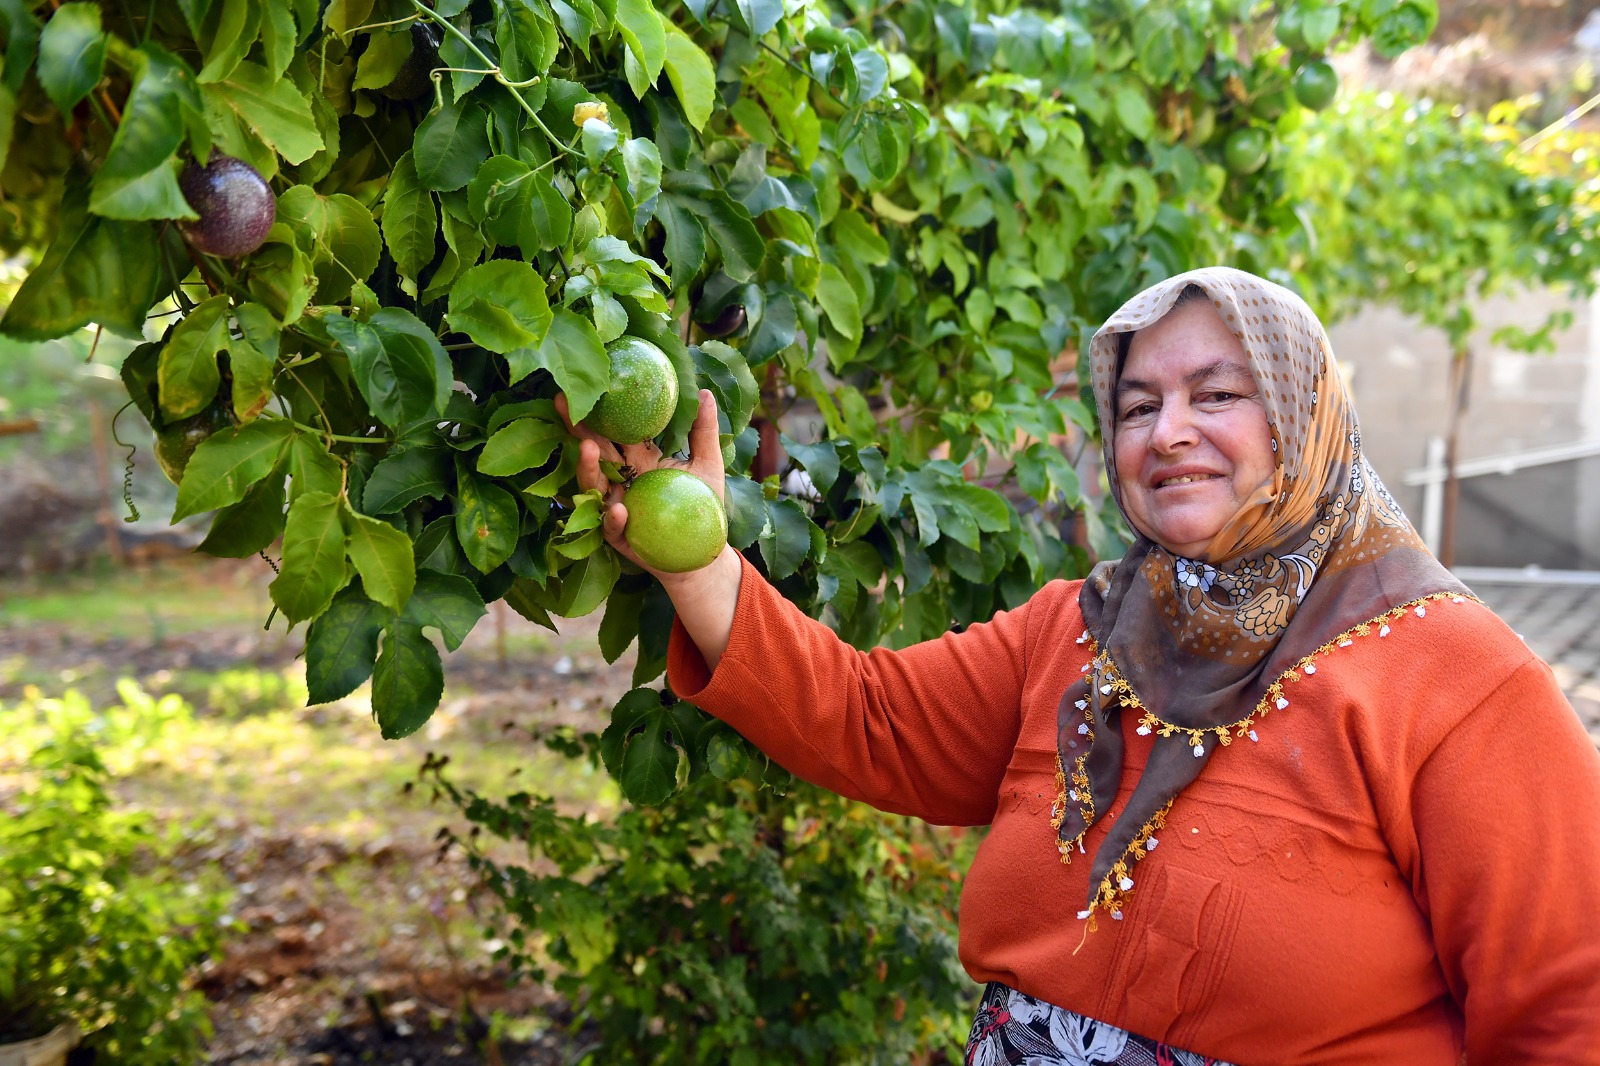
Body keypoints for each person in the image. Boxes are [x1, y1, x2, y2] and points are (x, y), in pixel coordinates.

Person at [559, 266, 1600, 1064]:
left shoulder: (1455, 679)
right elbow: (864, 717)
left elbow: (1567, 1013)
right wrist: (694, 558)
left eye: (1217, 393)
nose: (1168, 431)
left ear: (1306, 417)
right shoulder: (1083, 627)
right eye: (1138, 404)